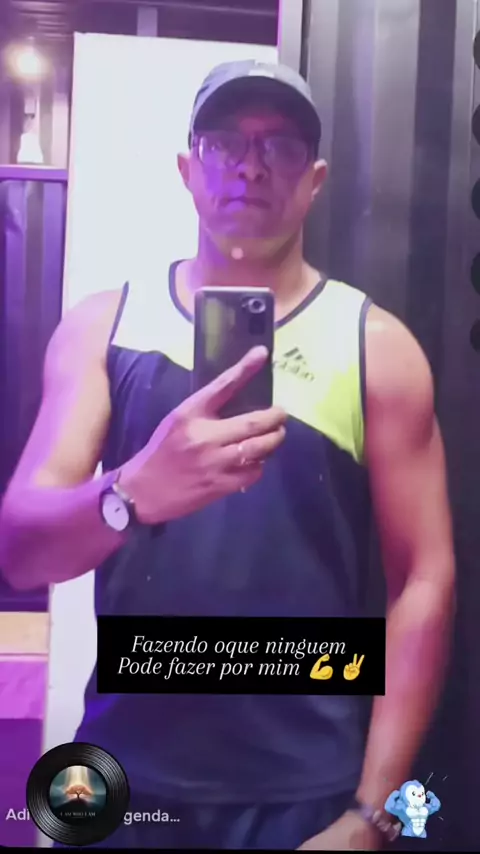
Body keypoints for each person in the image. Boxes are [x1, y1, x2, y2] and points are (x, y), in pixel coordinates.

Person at [0, 60, 455, 850]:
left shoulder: (376, 346)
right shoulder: (107, 328)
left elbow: (425, 576)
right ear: (187, 168)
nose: (250, 166)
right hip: (125, 772)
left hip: (308, 790)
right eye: (224, 143)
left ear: (314, 181)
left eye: (279, 146)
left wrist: (373, 815)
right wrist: (131, 492)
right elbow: (20, 549)